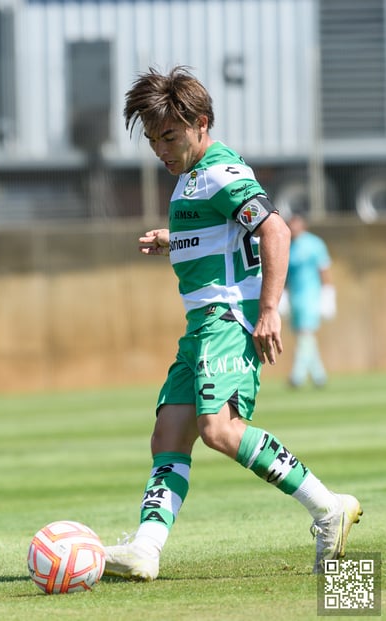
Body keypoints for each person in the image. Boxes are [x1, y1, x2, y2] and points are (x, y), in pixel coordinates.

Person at [103, 66, 362, 580]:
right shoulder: (192, 178)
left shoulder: (219, 170)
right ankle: (146, 551)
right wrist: (171, 238)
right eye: (153, 139)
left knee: (218, 429)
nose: (160, 149)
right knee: (168, 435)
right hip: (200, 323)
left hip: (226, 318)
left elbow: (276, 231)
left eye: (170, 136)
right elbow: (227, 236)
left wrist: (267, 311)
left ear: (201, 123)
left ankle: (327, 505)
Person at [282, 213, 336, 387]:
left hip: (311, 296)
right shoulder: (287, 246)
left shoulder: (315, 244)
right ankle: (319, 376)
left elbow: (324, 269)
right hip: (295, 298)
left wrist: (328, 293)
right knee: (303, 335)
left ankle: (296, 376)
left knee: (305, 334)